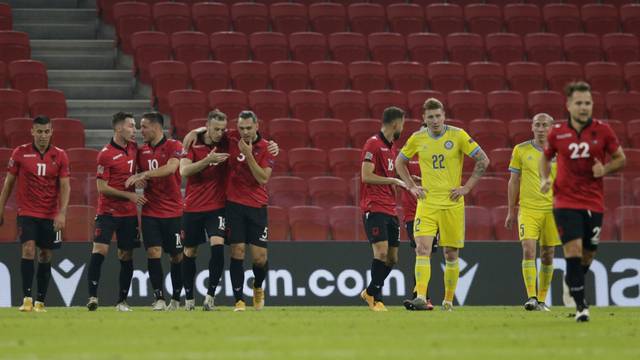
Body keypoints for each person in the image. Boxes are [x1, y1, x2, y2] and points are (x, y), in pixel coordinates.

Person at [540, 81, 626, 322]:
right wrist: (545, 179)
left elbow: (621, 159)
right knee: (573, 250)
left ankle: (573, 279)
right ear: (568, 105)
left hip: (594, 202)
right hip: (565, 201)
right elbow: (545, 158)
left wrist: (606, 169)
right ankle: (581, 307)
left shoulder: (604, 131)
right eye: (579, 103)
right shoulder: (556, 132)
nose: (584, 107)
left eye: (587, 103)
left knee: (587, 255)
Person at [396, 98, 490, 311]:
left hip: (452, 204)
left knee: (451, 254)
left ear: (444, 116)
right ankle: (420, 296)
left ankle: (448, 301)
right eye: (430, 117)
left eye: (438, 116)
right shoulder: (417, 138)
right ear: (424, 119)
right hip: (427, 203)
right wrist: (411, 186)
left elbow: (483, 160)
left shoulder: (458, 135)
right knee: (422, 248)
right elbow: (400, 162)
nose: (435, 120)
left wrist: (466, 187)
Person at [0, 116, 70, 312]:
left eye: (46, 131)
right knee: (28, 249)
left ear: (51, 132)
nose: (43, 136)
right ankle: (27, 299)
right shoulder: (20, 153)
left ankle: (40, 301)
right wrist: (0, 207)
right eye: (39, 132)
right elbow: (8, 183)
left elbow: (65, 186)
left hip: (50, 214)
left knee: (46, 254)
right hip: (27, 212)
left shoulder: (60, 155)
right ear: (32, 132)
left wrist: (62, 213)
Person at [124, 112, 185, 311]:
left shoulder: (174, 146)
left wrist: (145, 174)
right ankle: (159, 298)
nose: (141, 131)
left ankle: (176, 298)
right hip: (151, 211)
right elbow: (137, 176)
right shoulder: (141, 151)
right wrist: (140, 179)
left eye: (144, 127)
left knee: (176, 256)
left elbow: (171, 168)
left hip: (174, 211)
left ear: (157, 127)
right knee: (153, 252)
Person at [86, 112, 145, 312]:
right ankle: (93, 297)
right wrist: (129, 196)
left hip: (128, 214)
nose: (134, 129)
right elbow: (102, 187)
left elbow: (137, 173)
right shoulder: (105, 153)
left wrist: (139, 178)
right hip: (108, 212)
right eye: (131, 125)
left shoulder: (134, 149)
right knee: (100, 250)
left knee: (126, 254)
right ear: (118, 128)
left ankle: (122, 301)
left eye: (135, 125)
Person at [505, 113, 559, 312]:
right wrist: (511, 210)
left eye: (545, 125)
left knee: (548, 254)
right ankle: (531, 297)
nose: (541, 128)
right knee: (528, 249)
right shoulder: (520, 150)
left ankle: (543, 300)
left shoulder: (560, 151)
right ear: (532, 127)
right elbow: (513, 181)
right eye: (538, 125)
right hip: (528, 209)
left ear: (552, 128)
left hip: (553, 211)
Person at [179, 110, 231, 311]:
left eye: (222, 129)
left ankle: (210, 298)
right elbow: (184, 171)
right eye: (215, 129)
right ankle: (190, 300)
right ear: (207, 126)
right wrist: (207, 161)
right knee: (190, 251)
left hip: (217, 207)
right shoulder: (193, 143)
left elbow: (248, 135)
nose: (219, 133)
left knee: (217, 245)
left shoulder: (226, 141)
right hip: (193, 207)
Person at [225, 110, 275, 312]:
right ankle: (239, 300)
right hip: (234, 205)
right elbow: (211, 129)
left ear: (257, 126)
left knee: (259, 258)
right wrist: (196, 132)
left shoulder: (267, 148)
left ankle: (257, 287)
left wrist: (247, 155)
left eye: (248, 128)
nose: (244, 132)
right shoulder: (231, 138)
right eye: (241, 128)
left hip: (257, 207)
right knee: (237, 251)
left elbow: (263, 178)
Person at [358, 106, 406, 312]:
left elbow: (392, 175)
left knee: (393, 258)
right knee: (382, 251)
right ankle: (375, 298)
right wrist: (393, 179)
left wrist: (411, 183)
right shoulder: (373, 144)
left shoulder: (392, 147)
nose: (402, 128)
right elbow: (366, 176)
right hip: (374, 206)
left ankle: (369, 290)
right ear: (395, 123)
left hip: (390, 209)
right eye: (402, 124)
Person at [401, 157, 437, 311]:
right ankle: (423, 297)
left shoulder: (434, 157)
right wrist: (410, 181)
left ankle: (421, 296)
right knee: (421, 252)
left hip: (431, 212)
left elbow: (440, 183)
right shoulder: (406, 157)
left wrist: (422, 180)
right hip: (412, 214)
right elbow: (397, 175)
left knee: (426, 256)